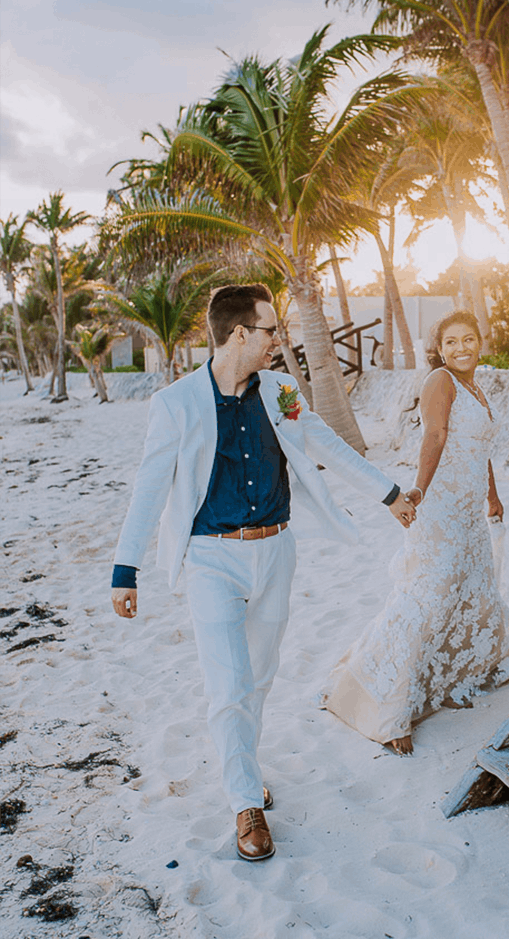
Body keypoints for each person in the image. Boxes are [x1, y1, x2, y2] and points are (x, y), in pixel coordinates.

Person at [109, 283, 417, 862]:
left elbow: (326, 443)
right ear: (239, 334)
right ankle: (245, 801)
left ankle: (242, 769)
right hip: (209, 559)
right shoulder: (175, 404)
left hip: (276, 552)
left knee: (258, 678)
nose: (281, 338)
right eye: (271, 329)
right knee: (227, 684)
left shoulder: (279, 392)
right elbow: (148, 489)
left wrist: (390, 493)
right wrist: (124, 570)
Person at [320, 310, 509, 756]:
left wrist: (491, 495)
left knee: (474, 590)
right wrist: (418, 488)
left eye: (468, 339)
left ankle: (472, 668)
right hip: (440, 507)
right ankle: (387, 708)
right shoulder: (440, 380)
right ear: (439, 347)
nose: (461, 348)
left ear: (481, 342)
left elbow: (478, 448)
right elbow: (434, 437)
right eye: (451, 341)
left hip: (469, 512)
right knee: (428, 598)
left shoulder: (474, 386)